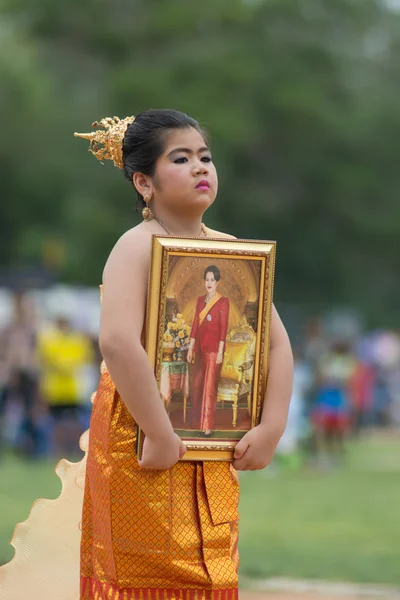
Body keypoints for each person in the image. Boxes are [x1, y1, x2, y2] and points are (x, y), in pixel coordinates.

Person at [0, 110, 293, 600]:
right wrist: (158, 430)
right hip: (138, 432)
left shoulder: (234, 252)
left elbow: (275, 343)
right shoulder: (134, 247)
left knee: (210, 562)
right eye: (181, 158)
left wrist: (272, 427)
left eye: (206, 156)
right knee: (145, 570)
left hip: (208, 433)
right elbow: (116, 341)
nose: (201, 167)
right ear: (144, 181)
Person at [37, 316, 93, 456]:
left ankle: (75, 449)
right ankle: (58, 450)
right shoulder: (49, 339)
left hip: (73, 389)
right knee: (56, 423)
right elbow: (46, 359)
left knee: (74, 422)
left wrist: (62, 365)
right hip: (55, 390)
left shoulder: (77, 340)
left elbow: (82, 359)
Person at [187, 265, 229, 436]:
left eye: (212, 279)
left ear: (218, 282)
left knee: (209, 388)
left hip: (214, 351)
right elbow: (195, 326)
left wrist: (220, 352)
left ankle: (207, 425)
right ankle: (198, 422)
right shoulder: (199, 301)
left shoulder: (223, 302)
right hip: (199, 349)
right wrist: (190, 348)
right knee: (197, 385)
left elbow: (223, 327)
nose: (209, 282)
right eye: (207, 279)